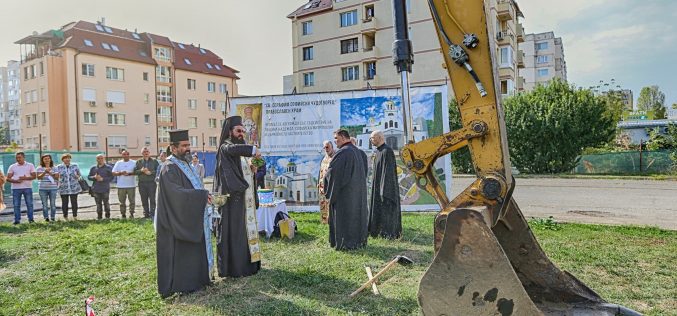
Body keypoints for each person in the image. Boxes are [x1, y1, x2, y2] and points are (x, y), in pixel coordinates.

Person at [156, 129, 212, 298]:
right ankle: (184, 284)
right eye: (184, 146)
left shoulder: (186, 164)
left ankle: (199, 279)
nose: (188, 149)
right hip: (176, 220)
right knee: (182, 252)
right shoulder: (169, 167)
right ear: (173, 148)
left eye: (189, 145)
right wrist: (202, 196)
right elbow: (176, 194)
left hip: (190, 216)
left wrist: (202, 196)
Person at [215, 115, 262, 278]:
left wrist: (253, 169)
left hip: (245, 199)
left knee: (247, 232)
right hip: (233, 200)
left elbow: (250, 169)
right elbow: (232, 151)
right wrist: (253, 150)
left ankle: (250, 264)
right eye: (238, 130)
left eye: (243, 131)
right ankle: (236, 268)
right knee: (236, 233)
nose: (241, 133)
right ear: (229, 132)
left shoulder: (240, 150)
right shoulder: (225, 147)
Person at [323, 129, 369, 250]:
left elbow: (333, 173)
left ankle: (345, 243)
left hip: (345, 195)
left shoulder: (343, 153)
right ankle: (358, 242)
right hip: (357, 193)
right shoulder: (357, 151)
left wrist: (325, 177)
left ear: (343, 137)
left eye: (336, 139)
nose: (335, 141)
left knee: (345, 218)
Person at [368, 130, 402, 239]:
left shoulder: (387, 151)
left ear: (379, 138)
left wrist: (384, 190)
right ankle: (377, 230)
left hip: (385, 190)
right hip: (378, 188)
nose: (371, 140)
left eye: (372, 138)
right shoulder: (378, 151)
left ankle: (388, 233)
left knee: (387, 211)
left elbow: (388, 173)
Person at [6, 152, 36, 224]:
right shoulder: (12, 166)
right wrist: (16, 181)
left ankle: (31, 219)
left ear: (23, 157)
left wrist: (25, 178)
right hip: (16, 189)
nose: (18, 159)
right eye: (16, 158)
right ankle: (17, 220)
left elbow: (34, 176)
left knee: (29, 204)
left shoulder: (30, 165)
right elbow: (8, 178)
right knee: (16, 205)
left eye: (19, 157)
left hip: (27, 188)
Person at [54, 153, 82, 220]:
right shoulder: (58, 167)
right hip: (63, 187)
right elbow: (56, 177)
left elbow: (79, 175)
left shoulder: (75, 166)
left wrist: (77, 176)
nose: (67, 159)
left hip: (74, 187)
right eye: (65, 158)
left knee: (74, 202)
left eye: (68, 158)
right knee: (64, 203)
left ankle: (75, 216)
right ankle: (65, 216)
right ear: (63, 159)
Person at [135, 147, 159, 218]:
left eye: (147, 151)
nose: (146, 153)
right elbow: (135, 171)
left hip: (152, 183)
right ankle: (146, 213)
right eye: (144, 152)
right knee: (144, 199)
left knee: (152, 199)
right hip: (142, 183)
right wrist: (141, 171)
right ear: (142, 153)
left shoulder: (154, 161)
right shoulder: (138, 162)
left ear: (149, 153)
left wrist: (150, 172)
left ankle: (153, 213)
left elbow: (158, 171)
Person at [112, 149, 136, 219]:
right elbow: (113, 172)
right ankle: (123, 214)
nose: (125, 155)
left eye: (127, 154)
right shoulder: (118, 163)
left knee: (132, 201)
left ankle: (131, 213)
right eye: (124, 154)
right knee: (122, 202)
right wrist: (120, 173)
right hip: (121, 185)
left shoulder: (134, 162)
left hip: (131, 185)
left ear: (129, 155)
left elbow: (137, 172)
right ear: (122, 155)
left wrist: (130, 173)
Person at [89, 154, 114, 219]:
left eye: (101, 158)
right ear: (96, 159)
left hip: (105, 188)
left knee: (106, 203)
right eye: (98, 158)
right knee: (98, 204)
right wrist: (94, 177)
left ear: (104, 159)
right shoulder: (93, 168)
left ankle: (107, 216)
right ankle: (99, 216)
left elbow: (112, 177)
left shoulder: (108, 167)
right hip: (96, 189)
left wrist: (103, 179)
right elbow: (89, 177)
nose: (100, 160)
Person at [36, 154, 58, 222]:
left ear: (50, 159)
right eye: (45, 159)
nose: (47, 160)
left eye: (48, 158)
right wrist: (45, 172)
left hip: (53, 188)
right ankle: (46, 217)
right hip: (42, 189)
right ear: (42, 160)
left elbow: (56, 177)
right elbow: (38, 177)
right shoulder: (39, 168)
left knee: (53, 204)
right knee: (44, 204)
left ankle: (53, 217)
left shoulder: (54, 167)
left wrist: (50, 173)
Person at [317, 140, 334, 224]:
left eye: (327, 147)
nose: (326, 149)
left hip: (330, 186)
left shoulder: (335, 157)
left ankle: (330, 221)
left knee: (329, 204)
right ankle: (324, 221)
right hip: (322, 186)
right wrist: (318, 182)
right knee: (323, 203)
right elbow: (320, 171)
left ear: (332, 147)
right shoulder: (324, 158)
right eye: (325, 147)